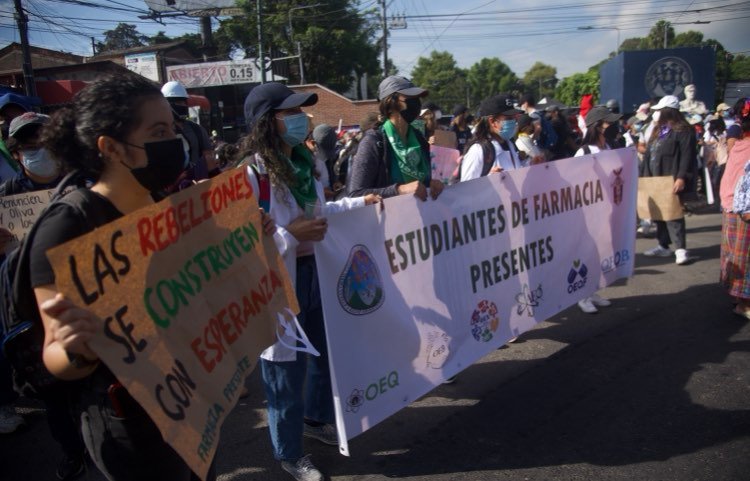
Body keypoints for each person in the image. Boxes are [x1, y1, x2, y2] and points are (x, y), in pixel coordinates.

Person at [32, 73, 216, 481]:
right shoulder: (68, 226)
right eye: (159, 131)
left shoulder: (163, 205)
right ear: (112, 147)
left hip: (190, 394)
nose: (176, 141)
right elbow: (57, 357)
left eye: (173, 128)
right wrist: (78, 347)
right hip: (131, 423)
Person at [240, 82, 380, 481]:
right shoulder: (252, 174)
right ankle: (289, 452)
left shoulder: (305, 165)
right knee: (284, 370)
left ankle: (314, 419)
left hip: (316, 273)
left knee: (321, 354)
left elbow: (321, 212)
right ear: (268, 123)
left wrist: (357, 203)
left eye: (302, 111)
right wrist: (289, 236)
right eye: (291, 113)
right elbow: (242, 243)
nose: (302, 119)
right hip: (278, 282)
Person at [347, 76, 444, 201]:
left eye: (417, 98)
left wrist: (433, 183)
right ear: (391, 102)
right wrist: (399, 190)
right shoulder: (373, 142)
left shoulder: (418, 138)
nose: (416, 103)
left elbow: (423, 181)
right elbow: (355, 194)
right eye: (410, 98)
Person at [573, 106, 622, 313]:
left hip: (608, 209)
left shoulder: (610, 147)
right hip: (588, 212)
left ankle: (593, 290)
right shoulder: (583, 152)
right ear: (597, 126)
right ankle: (582, 295)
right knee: (587, 252)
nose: (612, 126)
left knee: (602, 251)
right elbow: (574, 183)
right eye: (607, 122)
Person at [640, 95, 697, 265]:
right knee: (659, 214)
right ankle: (663, 245)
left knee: (673, 214)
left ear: (667, 111)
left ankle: (680, 249)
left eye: (658, 110)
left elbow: (687, 155)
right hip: (655, 177)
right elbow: (652, 150)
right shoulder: (662, 129)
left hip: (670, 177)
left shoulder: (684, 129)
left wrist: (681, 177)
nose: (655, 113)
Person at [719, 97, 750, 319]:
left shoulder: (739, 145)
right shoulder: (743, 146)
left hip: (734, 206)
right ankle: (743, 302)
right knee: (743, 258)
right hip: (743, 209)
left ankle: (741, 299)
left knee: (739, 256)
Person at [161, 81, 217, 189]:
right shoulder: (159, 133)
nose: (182, 106)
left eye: (184, 102)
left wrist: (216, 181)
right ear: (167, 104)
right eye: (178, 102)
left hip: (199, 189)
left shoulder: (197, 130)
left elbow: (209, 159)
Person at [460, 93, 525, 181]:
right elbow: (465, 189)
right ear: (492, 121)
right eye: (508, 119)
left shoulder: (509, 144)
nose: (514, 122)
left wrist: (531, 165)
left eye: (514, 118)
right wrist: (488, 181)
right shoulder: (478, 150)